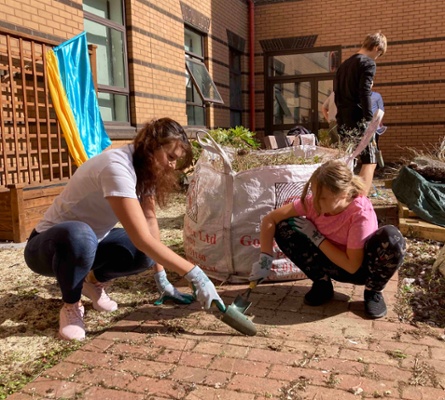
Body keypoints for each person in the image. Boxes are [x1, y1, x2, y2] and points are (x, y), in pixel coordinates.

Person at [24, 118, 225, 340]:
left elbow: (149, 222)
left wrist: (162, 278)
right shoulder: (117, 167)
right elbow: (140, 237)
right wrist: (195, 275)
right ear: (151, 147)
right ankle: (71, 306)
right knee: (81, 235)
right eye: (170, 157)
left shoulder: (145, 170)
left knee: (143, 255)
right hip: (46, 248)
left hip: (92, 243)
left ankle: (92, 282)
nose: (172, 166)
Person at [249, 159, 405, 319]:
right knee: (284, 227)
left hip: (362, 270)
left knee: (392, 238)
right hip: (331, 264)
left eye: (323, 198)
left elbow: (352, 266)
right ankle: (322, 283)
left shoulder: (359, 213)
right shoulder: (313, 203)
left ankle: (373, 291)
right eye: (315, 194)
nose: (316, 202)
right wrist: (265, 257)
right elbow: (270, 219)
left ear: (343, 194)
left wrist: (316, 237)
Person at [334, 32, 387, 195]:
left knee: (348, 160)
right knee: (370, 160)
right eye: (378, 54)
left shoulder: (343, 65)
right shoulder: (368, 63)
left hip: (343, 118)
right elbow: (364, 92)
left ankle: (344, 198)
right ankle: (360, 202)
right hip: (359, 118)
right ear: (376, 47)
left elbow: (337, 93)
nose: (377, 58)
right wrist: (370, 120)